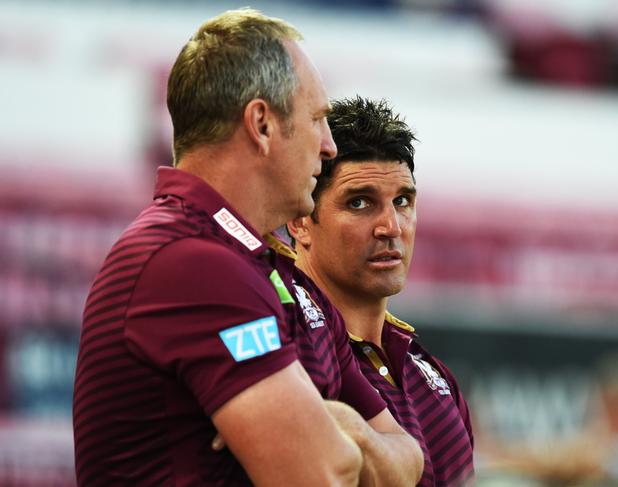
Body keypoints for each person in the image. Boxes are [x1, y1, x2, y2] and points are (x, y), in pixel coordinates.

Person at [72, 9, 423, 487]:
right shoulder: (192, 261)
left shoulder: (255, 267)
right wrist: (339, 436)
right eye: (317, 118)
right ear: (261, 123)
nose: (330, 146)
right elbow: (320, 473)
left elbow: (409, 460)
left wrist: (336, 424)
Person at [288, 96, 475, 486]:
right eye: (360, 203)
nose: (391, 226)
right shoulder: (284, 350)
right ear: (300, 221)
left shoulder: (434, 379)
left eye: (402, 201)